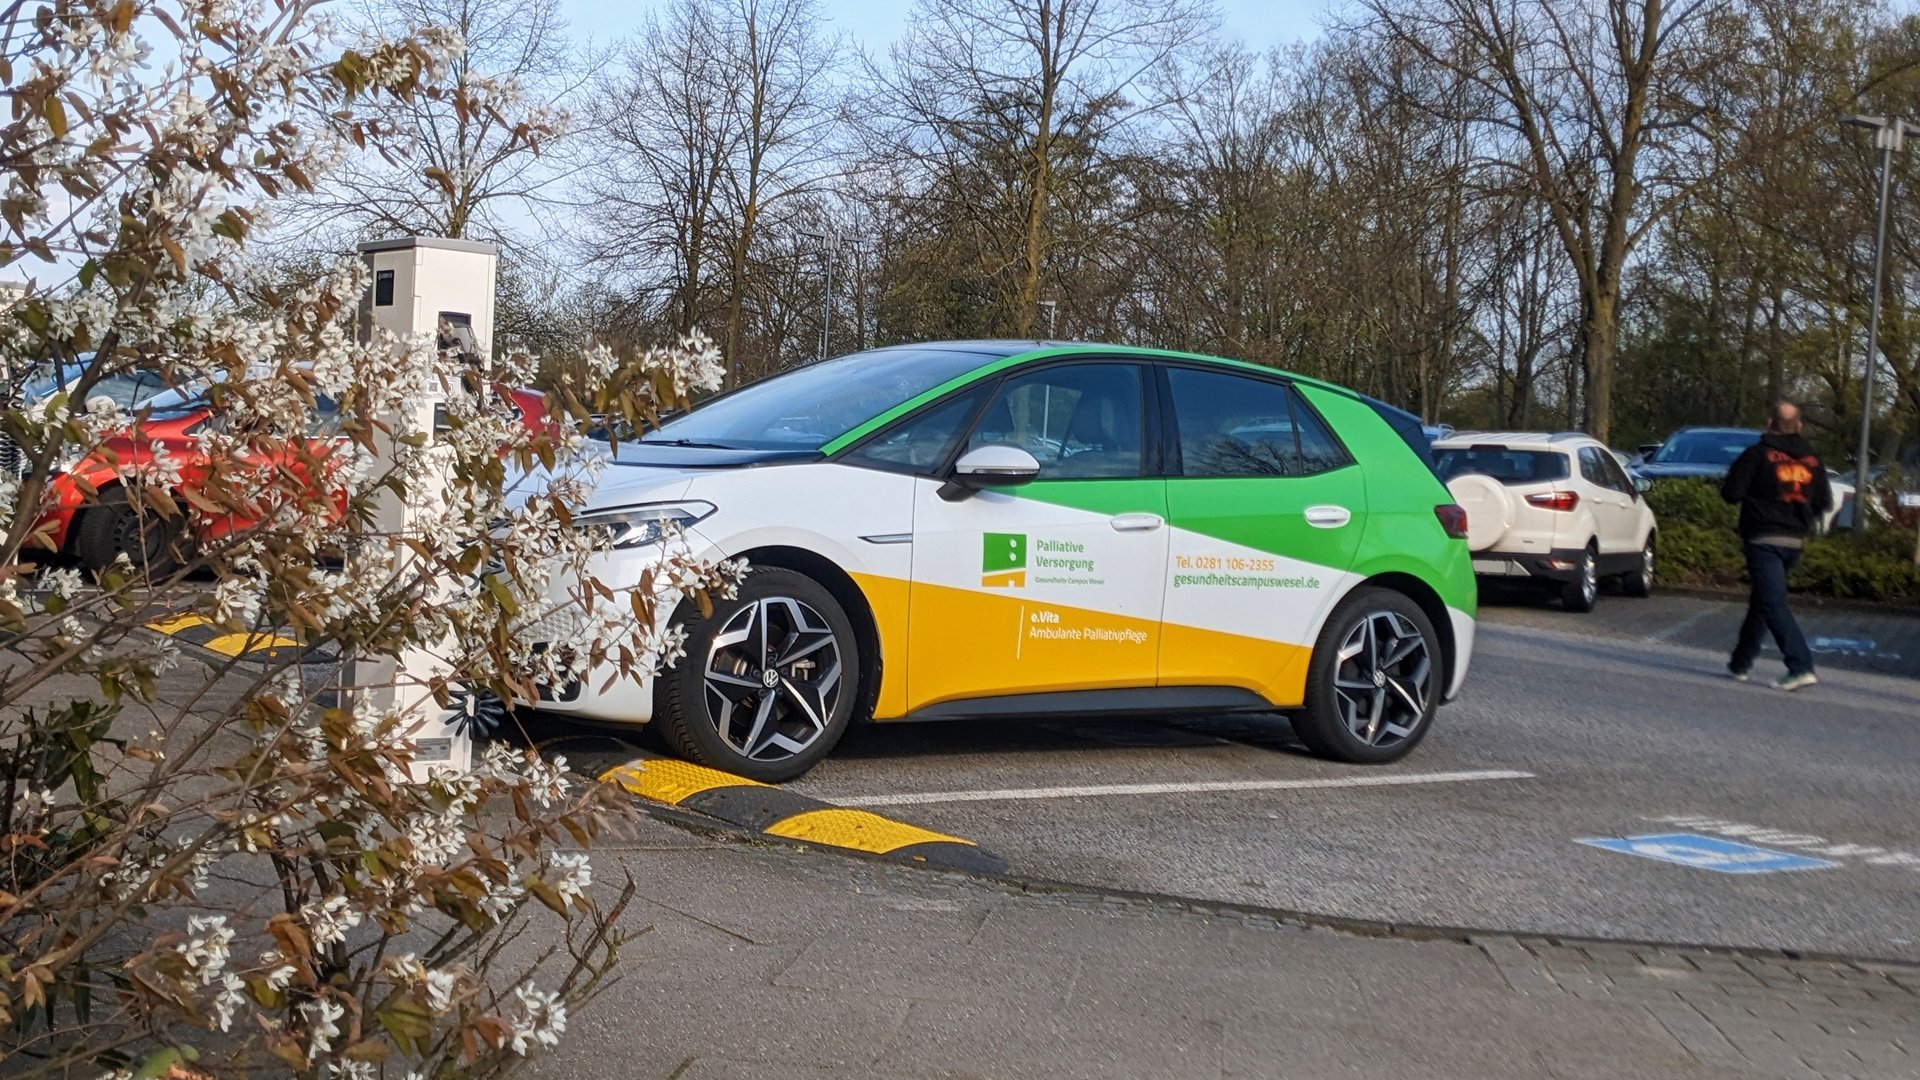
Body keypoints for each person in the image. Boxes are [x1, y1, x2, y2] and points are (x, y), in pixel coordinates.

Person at [1721, 401, 1833, 691]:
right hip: (1794, 541)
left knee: (1773, 604)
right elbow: (1824, 502)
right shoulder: (1813, 460)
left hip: (1762, 538)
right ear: (1799, 426)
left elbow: (1731, 494)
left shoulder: (1757, 455)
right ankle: (1740, 662)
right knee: (1763, 600)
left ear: (1769, 423)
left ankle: (1800, 665)